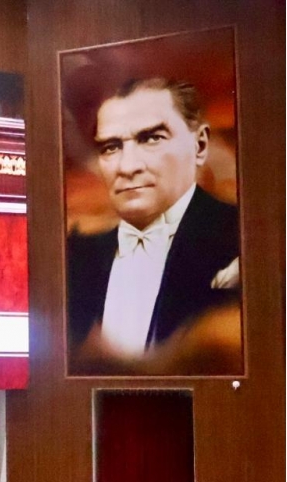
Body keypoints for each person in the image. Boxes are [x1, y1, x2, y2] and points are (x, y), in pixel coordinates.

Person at [66, 78, 240, 366]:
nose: (128, 167)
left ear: (199, 145)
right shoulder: (76, 257)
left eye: (151, 139)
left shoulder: (244, 239)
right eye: (111, 147)